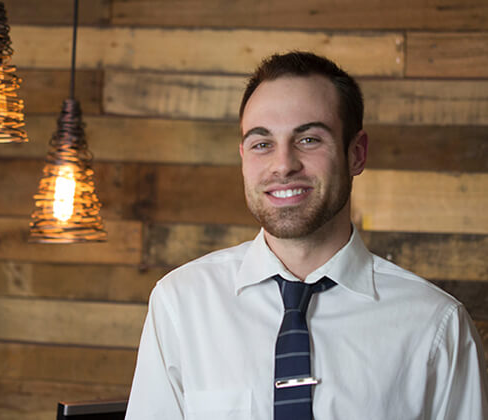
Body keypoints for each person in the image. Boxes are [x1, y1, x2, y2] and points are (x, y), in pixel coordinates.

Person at [125, 51, 488, 419]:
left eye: (309, 139)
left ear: (356, 154)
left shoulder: (436, 327)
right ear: (243, 157)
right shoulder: (181, 304)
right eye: (262, 143)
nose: (283, 164)